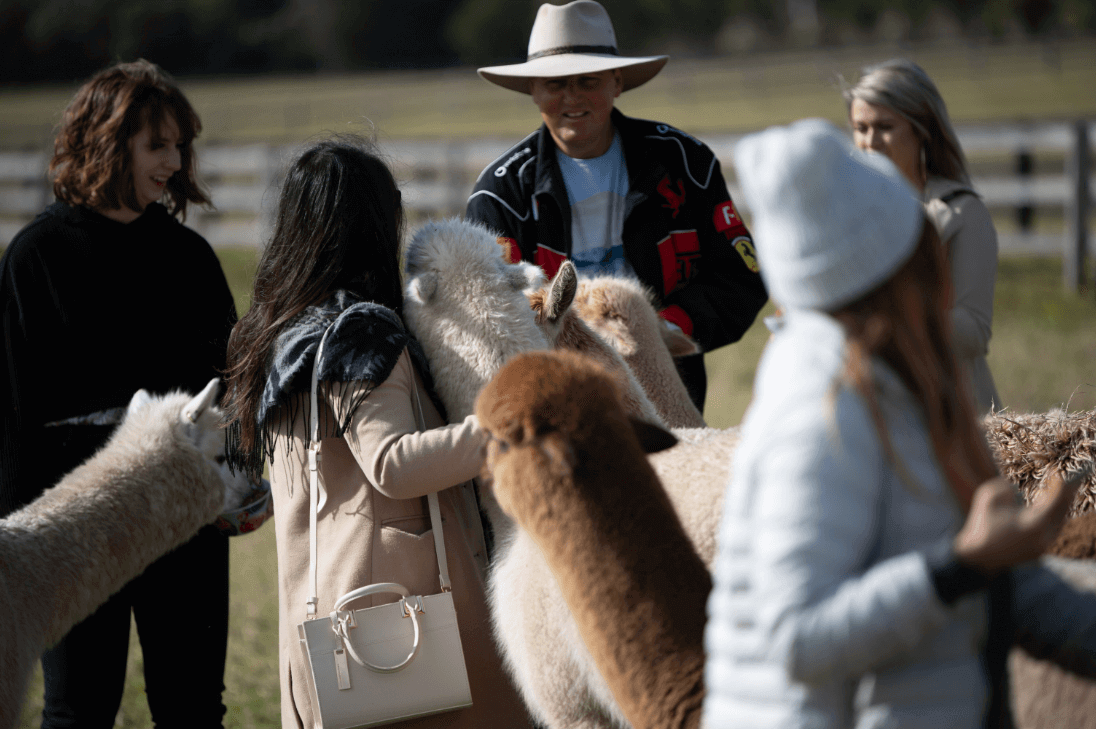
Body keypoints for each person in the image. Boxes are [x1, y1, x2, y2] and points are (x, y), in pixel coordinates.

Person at [703, 118, 1096, 728]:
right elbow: (797, 637)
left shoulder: (896, 385)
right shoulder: (821, 407)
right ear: (892, 267)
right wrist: (960, 562)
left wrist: (979, 562)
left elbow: (994, 589)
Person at [222, 136, 534, 729]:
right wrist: (509, 427)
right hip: (399, 622)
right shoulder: (360, 331)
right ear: (371, 225)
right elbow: (393, 462)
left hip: (322, 612)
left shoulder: (270, 333)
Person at [0, 60, 236, 727]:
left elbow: (229, 391)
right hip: (77, 524)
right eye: (157, 144)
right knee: (79, 709)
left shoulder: (190, 257)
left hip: (182, 520)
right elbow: (13, 419)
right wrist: (16, 546)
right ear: (108, 142)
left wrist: (235, 482)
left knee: (193, 707)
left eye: (179, 145)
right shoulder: (34, 258)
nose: (174, 160)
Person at [464, 0, 768, 413]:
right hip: (559, 405)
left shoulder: (686, 163)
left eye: (588, 80)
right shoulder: (500, 195)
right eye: (554, 84)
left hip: (671, 394)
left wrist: (662, 331)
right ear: (532, 90)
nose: (572, 97)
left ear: (617, 82)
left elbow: (739, 278)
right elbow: (486, 316)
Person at [845, 58, 1001, 414]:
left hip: (949, 412)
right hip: (867, 410)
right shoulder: (845, 215)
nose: (871, 142)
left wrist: (888, 315)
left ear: (922, 129)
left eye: (885, 127)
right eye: (860, 127)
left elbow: (974, 332)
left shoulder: (960, 213)